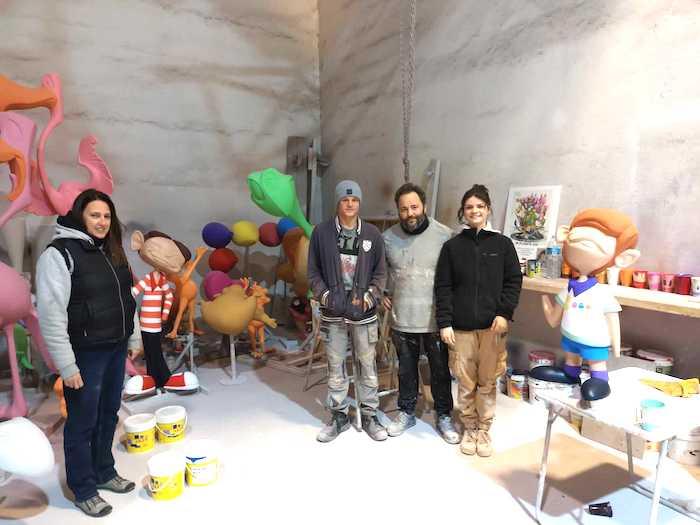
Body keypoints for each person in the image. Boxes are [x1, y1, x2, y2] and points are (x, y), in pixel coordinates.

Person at [36, 189, 141, 517]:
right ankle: (82, 487)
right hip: (85, 352)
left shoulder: (112, 251)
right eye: (95, 215)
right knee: (82, 420)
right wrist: (66, 364)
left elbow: (128, 298)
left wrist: (133, 335)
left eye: (107, 216)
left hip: (114, 346)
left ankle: (104, 471)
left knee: (109, 413)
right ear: (81, 215)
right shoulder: (60, 253)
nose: (102, 222)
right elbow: (52, 313)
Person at [435, 184, 522, 457]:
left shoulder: (503, 245)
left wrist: (504, 313)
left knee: (487, 381)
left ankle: (484, 430)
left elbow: (513, 281)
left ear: (488, 210)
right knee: (465, 382)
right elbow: (443, 287)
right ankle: (469, 428)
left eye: (480, 207)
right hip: (459, 328)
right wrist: (444, 322)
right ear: (463, 211)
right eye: (470, 207)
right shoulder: (451, 247)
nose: (474, 211)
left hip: (491, 328)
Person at [307, 180, 387, 442]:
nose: (350, 204)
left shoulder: (373, 235)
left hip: (364, 314)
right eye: (345, 200)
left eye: (354, 200)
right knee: (335, 366)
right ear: (338, 203)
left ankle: (370, 414)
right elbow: (313, 272)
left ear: (359, 203)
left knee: (367, 365)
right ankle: (339, 416)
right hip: (334, 313)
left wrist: (370, 296)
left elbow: (380, 273)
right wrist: (325, 295)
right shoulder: (321, 233)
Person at [382, 183, 459, 444]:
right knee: (406, 369)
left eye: (414, 207)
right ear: (398, 211)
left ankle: (444, 414)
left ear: (424, 206)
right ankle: (406, 411)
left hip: (435, 319)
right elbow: (380, 272)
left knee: (440, 370)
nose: (410, 213)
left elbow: (454, 277)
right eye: (404, 209)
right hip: (402, 318)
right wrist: (382, 292)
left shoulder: (444, 235)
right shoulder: (388, 238)